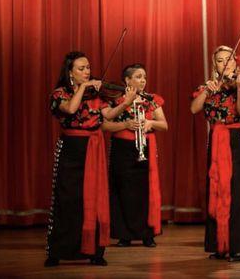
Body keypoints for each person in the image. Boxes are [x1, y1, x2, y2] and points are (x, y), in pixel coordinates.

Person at [45, 51, 131, 267]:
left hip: (94, 148)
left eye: (88, 68)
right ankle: (58, 251)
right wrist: (83, 87)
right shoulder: (60, 94)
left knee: (93, 198)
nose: (87, 72)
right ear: (70, 72)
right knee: (67, 199)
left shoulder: (97, 95)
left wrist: (126, 102)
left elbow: (108, 115)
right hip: (71, 149)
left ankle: (94, 251)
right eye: (81, 68)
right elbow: (71, 109)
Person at [190, 46, 240, 261]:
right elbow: (194, 109)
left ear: (236, 62)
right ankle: (220, 244)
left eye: (229, 59)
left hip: (238, 139)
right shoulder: (209, 85)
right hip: (217, 139)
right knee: (217, 188)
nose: (225, 63)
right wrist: (207, 91)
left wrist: (239, 88)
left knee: (239, 191)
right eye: (220, 61)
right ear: (215, 65)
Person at [105, 63, 168, 248]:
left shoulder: (151, 99)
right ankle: (124, 235)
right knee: (123, 190)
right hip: (122, 148)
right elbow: (104, 125)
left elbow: (164, 124)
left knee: (144, 191)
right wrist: (125, 125)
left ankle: (147, 234)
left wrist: (149, 123)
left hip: (144, 147)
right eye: (138, 77)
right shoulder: (116, 99)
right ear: (127, 80)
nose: (143, 80)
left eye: (144, 77)